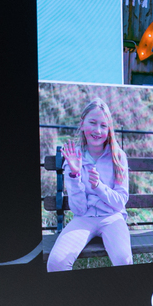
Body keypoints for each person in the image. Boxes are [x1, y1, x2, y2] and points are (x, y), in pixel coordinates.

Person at [47, 98, 132, 271]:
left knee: (124, 259)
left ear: (109, 129)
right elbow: (78, 209)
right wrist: (75, 175)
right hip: (83, 218)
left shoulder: (118, 156)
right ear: (82, 124)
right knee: (56, 263)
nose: (98, 130)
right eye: (92, 123)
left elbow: (120, 202)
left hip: (112, 217)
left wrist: (99, 187)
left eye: (103, 125)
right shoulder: (74, 157)